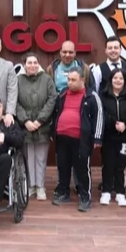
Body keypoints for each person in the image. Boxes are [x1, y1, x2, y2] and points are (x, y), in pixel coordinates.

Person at [91, 36, 126, 193]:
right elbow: (95, 92)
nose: (113, 50)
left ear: (120, 50)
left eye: (116, 47)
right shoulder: (98, 69)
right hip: (108, 119)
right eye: (110, 48)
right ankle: (108, 181)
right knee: (108, 154)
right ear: (106, 50)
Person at [50, 67, 103, 212]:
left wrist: (97, 138)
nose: (69, 83)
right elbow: (55, 113)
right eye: (68, 79)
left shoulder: (91, 96)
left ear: (82, 80)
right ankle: (63, 192)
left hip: (81, 140)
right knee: (63, 167)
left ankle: (85, 197)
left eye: (73, 80)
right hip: (62, 138)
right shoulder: (63, 94)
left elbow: (99, 117)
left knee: (82, 170)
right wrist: (52, 131)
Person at [16, 53, 57, 201]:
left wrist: (40, 120)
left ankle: (40, 186)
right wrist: (25, 120)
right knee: (28, 157)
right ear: (24, 64)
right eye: (29, 62)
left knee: (41, 157)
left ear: (38, 64)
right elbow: (14, 101)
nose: (32, 65)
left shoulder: (47, 79)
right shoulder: (18, 80)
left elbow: (52, 99)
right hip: (25, 126)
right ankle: (30, 185)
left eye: (35, 62)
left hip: (42, 126)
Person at [99, 68, 126, 207]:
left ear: (125, 81)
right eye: (115, 78)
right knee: (108, 164)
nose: (118, 81)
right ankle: (106, 191)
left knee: (121, 166)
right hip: (109, 136)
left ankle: (120, 193)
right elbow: (101, 113)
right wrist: (114, 123)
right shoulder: (103, 95)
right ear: (111, 80)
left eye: (121, 78)